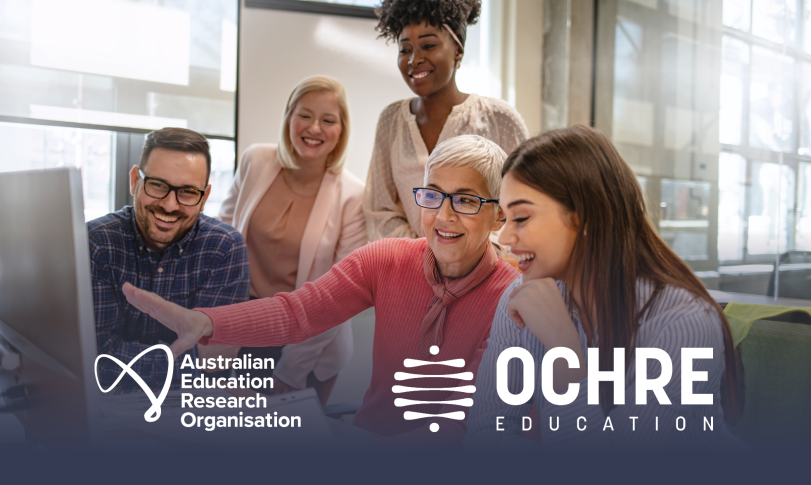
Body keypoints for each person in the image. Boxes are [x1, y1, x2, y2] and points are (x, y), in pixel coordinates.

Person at [122, 135, 519, 443]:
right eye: (433, 196)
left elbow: (467, 427)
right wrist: (204, 323)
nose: (443, 215)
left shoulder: (512, 301)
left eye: (465, 200)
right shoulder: (385, 259)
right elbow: (298, 313)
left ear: (499, 213)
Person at [464, 126, 742, 449]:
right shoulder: (522, 300)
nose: (506, 238)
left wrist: (564, 349)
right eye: (505, 218)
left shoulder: (685, 323)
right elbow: (485, 434)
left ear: (584, 220)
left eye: (522, 218)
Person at [219, 76, 366, 405]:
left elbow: (340, 294)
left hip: (309, 343)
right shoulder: (255, 160)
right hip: (246, 325)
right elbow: (220, 239)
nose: (314, 128)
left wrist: (292, 367)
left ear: (341, 131)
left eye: (328, 120)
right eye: (305, 115)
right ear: (289, 116)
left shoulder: (354, 196)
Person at [88, 127, 249, 387]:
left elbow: (217, 361)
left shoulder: (224, 248)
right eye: (157, 185)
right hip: (109, 404)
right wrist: (190, 361)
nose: (169, 205)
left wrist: (204, 361)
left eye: (187, 191)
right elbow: (97, 360)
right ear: (134, 181)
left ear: (204, 197)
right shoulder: (97, 243)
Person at [364, 0, 529, 242]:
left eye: (428, 45)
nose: (414, 59)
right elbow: (380, 209)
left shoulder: (499, 119)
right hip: (411, 268)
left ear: (458, 52)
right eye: (405, 49)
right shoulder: (391, 121)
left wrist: (469, 258)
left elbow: (522, 203)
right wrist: (426, 257)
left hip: (487, 270)